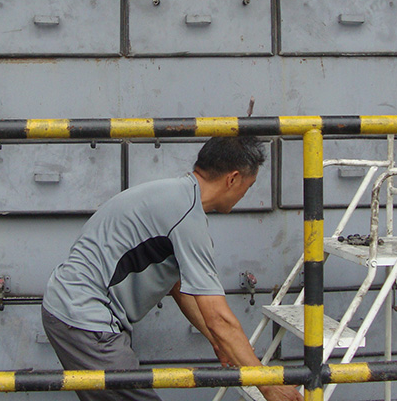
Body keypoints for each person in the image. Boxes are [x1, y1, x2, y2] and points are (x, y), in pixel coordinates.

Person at [42, 136, 304, 401]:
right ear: (233, 179)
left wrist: (216, 340)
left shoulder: (176, 196)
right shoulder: (186, 217)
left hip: (69, 308)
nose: (246, 194)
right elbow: (219, 318)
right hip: (85, 319)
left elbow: (178, 285)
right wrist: (268, 386)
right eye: (249, 185)